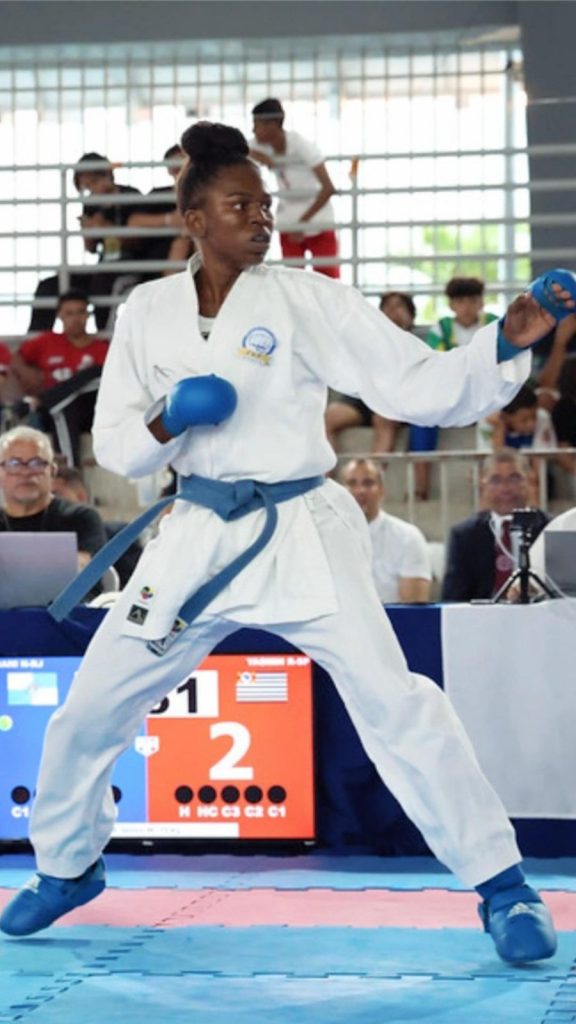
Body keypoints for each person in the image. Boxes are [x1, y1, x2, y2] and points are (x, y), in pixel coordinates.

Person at [1, 121, 568, 967]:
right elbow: (116, 444)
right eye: (241, 206)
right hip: (195, 533)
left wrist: (504, 344)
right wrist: (168, 418)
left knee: (396, 701)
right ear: (194, 219)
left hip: (299, 524)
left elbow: (414, 381)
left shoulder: (306, 298)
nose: (262, 219)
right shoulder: (147, 312)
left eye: (266, 206)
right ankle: (67, 863)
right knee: (90, 707)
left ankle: (503, 885)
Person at [28, 154, 143, 334]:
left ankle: (103, 340)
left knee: (102, 284)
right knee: (49, 285)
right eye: (86, 186)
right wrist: (87, 231)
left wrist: (106, 227)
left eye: (93, 182)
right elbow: (90, 248)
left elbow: (140, 242)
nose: (91, 189)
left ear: (107, 175)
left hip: (128, 266)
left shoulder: (131, 195)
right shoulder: (91, 203)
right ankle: (36, 341)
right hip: (103, 266)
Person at [411, 277, 499, 500]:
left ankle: (489, 485)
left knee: (493, 418)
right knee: (421, 418)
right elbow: (437, 364)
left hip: (487, 392)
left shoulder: (494, 325)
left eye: (472, 300)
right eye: (461, 301)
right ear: (451, 305)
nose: (467, 306)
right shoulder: (441, 328)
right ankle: (421, 488)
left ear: (481, 303)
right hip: (450, 392)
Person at [9, 291, 109, 467]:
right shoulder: (46, 342)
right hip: (51, 414)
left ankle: (48, 399)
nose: (76, 319)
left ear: (88, 315)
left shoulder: (101, 349)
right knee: (64, 407)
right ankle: (71, 473)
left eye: (80, 312)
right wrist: (27, 373)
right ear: (60, 316)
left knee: (96, 373)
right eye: (69, 313)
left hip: (90, 412)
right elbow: (14, 360)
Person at [441, 449, 549, 602]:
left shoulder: (550, 529)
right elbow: (453, 598)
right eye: (496, 480)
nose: (505, 488)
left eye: (514, 479)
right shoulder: (464, 535)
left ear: (530, 480)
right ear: (482, 485)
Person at [250, 97, 339, 278]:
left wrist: (302, 223)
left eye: (256, 124)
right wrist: (261, 156)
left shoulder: (302, 146)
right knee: (292, 279)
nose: (253, 130)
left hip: (317, 217)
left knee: (328, 280)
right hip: (289, 219)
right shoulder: (259, 146)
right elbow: (235, 148)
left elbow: (328, 188)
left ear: (272, 125)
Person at [0, 426, 107, 569]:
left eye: (36, 463)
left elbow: (92, 569)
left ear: (52, 471)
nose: (25, 472)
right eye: (14, 464)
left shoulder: (80, 517)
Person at [325, 292, 417, 453]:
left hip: (395, 400)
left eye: (398, 306)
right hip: (363, 399)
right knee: (329, 417)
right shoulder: (367, 341)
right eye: (387, 307)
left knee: (384, 418)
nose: (392, 311)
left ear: (411, 316)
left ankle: (372, 469)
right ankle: (329, 469)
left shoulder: (418, 344)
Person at [340, 457, 431, 603]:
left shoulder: (408, 537)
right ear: (340, 492)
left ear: (382, 490)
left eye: (368, 483)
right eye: (352, 483)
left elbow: (413, 608)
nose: (360, 491)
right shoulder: (324, 537)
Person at [52, 465, 143, 588]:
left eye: (54, 495)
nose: (49, 503)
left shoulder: (120, 539)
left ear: (80, 496)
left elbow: (140, 588)